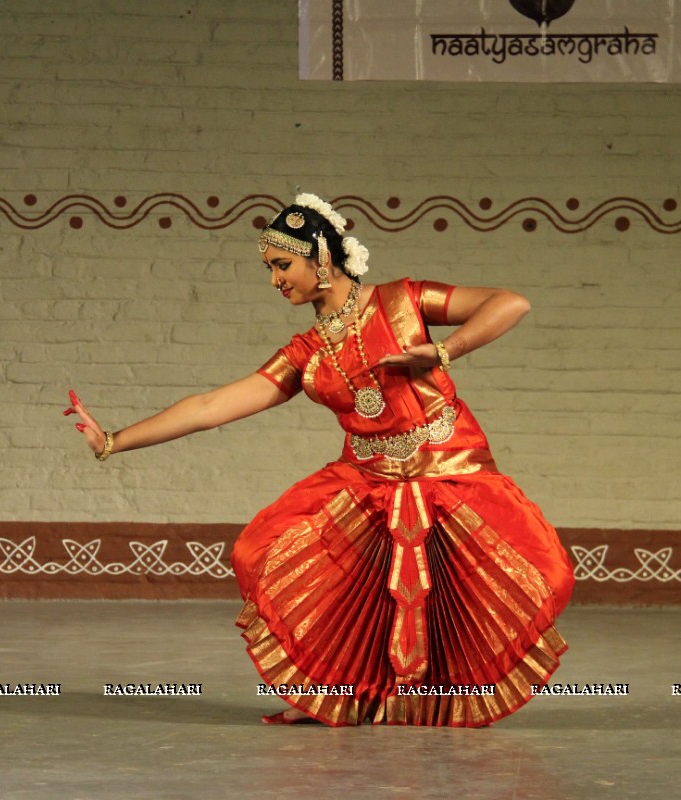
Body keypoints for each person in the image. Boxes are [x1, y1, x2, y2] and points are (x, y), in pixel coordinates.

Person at [65, 193, 574, 727]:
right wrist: (114, 441)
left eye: (282, 266)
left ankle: (436, 701)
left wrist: (447, 350)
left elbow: (510, 302)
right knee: (273, 558)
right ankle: (351, 697)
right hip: (367, 478)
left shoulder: (404, 301)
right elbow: (211, 407)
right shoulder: (305, 352)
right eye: (270, 269)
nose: (275, 281)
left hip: (450, 471)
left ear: (321, 259)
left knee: (541, 575)